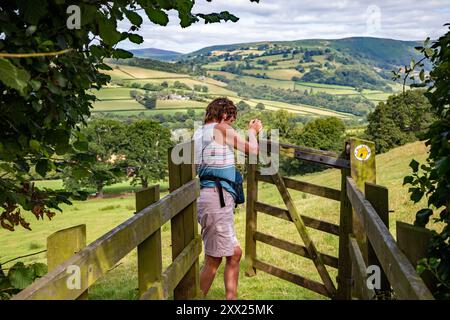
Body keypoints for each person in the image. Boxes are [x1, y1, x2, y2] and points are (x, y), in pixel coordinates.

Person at [193, 97, 262, 300]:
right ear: (224, 115)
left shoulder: (199, 132)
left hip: (210, 196)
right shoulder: (221, 128)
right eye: (231, 120)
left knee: (235, 253)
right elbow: (253, 151)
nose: (231, 124)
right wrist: (253, 131)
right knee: (213, 260)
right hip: (217, 197)